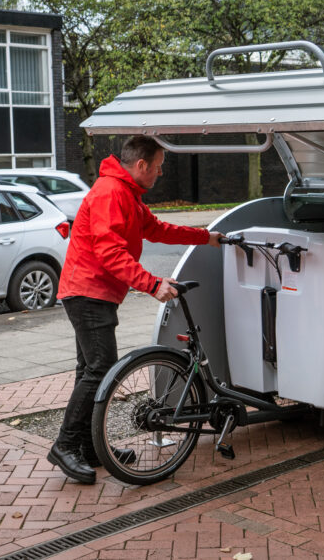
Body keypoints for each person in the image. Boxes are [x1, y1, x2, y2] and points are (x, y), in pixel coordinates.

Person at [47, 135, 223, 484]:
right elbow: (110, 252)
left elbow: (156, 229)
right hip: (88, 292)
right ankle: (65, 446)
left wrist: (205, 237)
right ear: (141, 165)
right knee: (100, 370)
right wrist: (152, 284)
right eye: (158, 167)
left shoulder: (125, 192)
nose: (160, 173)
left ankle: (88, 447)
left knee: (90, 370)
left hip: (92, 292)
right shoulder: (111, 192)